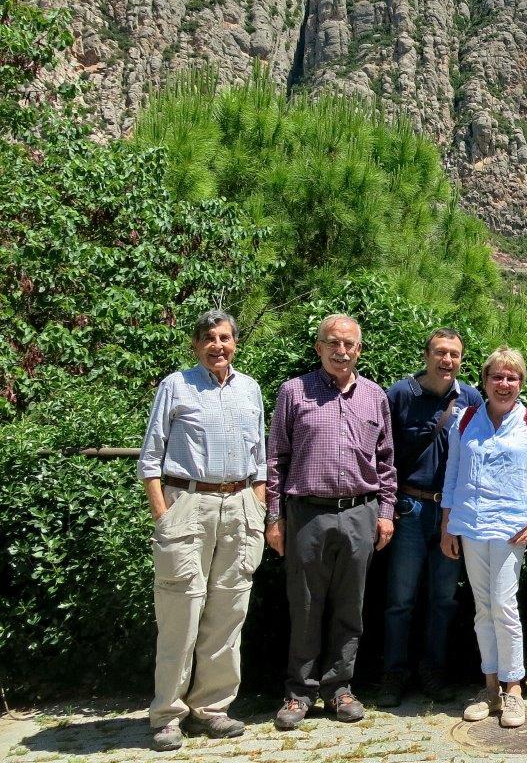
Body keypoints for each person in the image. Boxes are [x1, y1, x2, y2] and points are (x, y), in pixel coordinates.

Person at [139, 310, 267, 752]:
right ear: (196, 345)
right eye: (209, 338)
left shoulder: (250, 389)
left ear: (235, 343)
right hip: (188, 504)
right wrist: (164, 514)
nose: (218, 346)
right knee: (180, 613)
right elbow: (150, 458)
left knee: (228, 612)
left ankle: (211, 709)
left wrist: (258, 502)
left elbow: (261, 457)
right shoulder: (176, 385)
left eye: (225, 338)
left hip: (240, 505)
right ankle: (167, 715)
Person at [266, 314, 397, 731]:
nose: (342, 351)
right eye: (333, 343)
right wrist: (274, 517)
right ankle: (299, 692)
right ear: (319, 347)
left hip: (360, 512)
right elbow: (275, 459)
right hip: (307, 513)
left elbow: (386, 461)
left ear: (359, 349)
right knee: (305, 604)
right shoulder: (294, 391)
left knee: (350, 606)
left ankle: (339, 687)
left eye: (349, 344)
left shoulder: (374, 396)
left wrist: (386, 513)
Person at [441, 346, 527, 729]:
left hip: (512, 529)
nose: (504, 383)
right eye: (497, 376)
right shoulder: (465, 420)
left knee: (503, 604)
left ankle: (514, 689)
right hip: (471, 525)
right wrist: (448, 524)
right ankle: (490, 689)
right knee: (483, 608)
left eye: (512, 377)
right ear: (485, 380)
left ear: (521, 383)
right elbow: (452, 474)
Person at [377, 328, 483, 708]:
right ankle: (394, 674)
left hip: (451, 512)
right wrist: (386, 507)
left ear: (461, 359)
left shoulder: (470, 398)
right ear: (426, 355)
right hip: (410, 508)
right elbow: (382, 453)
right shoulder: (400, 394)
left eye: (454, 354)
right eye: (440, 352)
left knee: (443, 599)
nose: (447, 360)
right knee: (400, 600)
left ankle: (433, 673)